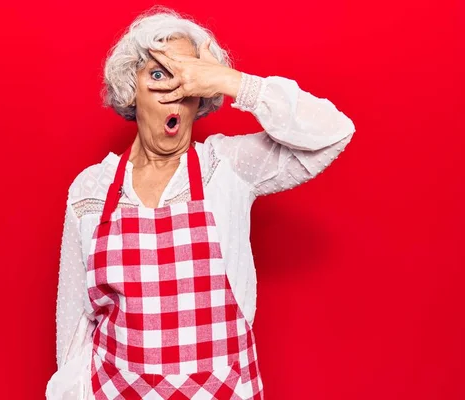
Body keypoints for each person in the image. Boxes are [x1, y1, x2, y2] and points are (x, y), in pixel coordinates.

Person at [46, 6, 356, 400]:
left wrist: (228, 80)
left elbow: (333, 132)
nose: (176, 93)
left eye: (188, 79)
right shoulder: (90, 190)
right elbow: (74, 328)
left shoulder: (227, 169)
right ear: (131, 88)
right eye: (159, 75)